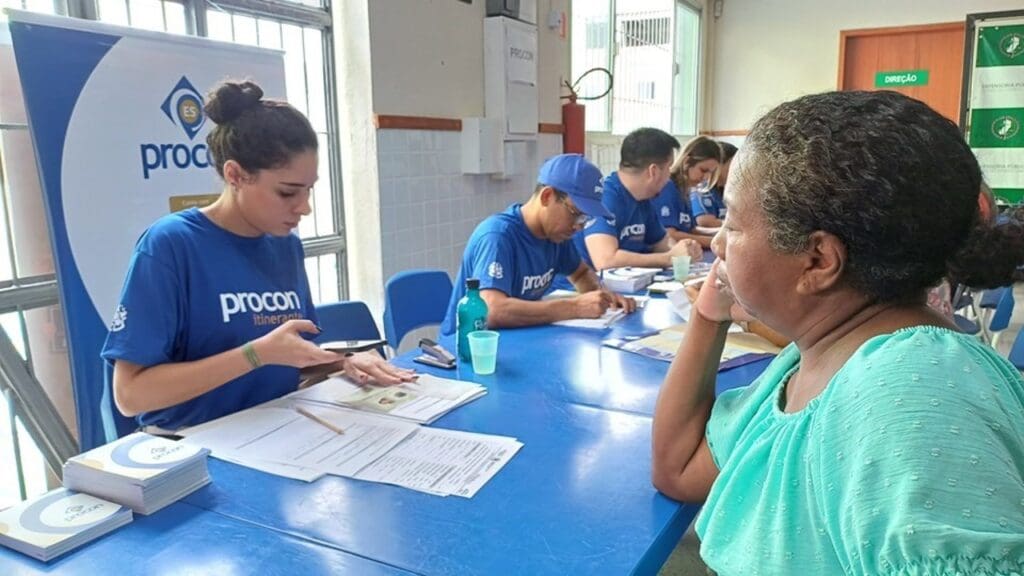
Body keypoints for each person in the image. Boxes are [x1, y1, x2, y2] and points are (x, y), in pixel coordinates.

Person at [651, 90, 1024, 574]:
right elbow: (678, 470)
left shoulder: (909, 395)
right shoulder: (812, 359)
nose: (718, 242)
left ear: (818, 260)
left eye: (734, 223)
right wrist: (708, 313)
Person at [102, 80, 414, 432]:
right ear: (235, 175)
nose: (304, 207)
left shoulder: (285, 246)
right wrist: (255, 354)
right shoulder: (171, 245)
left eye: (309, 190)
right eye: (287, 193)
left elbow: (290, 356)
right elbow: (130, 395)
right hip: (191, 443)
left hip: (274, 430)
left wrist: (343, 362)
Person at [440, 154, 635, 334]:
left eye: (586, 219)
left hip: (519, 340)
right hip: (470, 349)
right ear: (547, 196)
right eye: (576, 214)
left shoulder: (556, 236)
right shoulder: (498, 236)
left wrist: (603, 297)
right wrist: (574, 307)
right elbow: (491, 310)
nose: (579, 227)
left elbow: (581, 273)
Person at [575, 127, 702, 272]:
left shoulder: (643, 199)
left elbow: (661, 242)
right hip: (587, 284)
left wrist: (684, 250)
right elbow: (605, 260)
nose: (669, 177)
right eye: (668, 169)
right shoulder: (605, 198)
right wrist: (670, 258)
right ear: (653, 171)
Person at [652, 136, 722, 249]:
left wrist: (721, 233)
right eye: (703, 170)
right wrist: (714, 242)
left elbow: (690, 229)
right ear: (686, 162)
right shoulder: (667, 187)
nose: (706, 177)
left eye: (710, 173)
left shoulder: (684, 190)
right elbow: (670, 235)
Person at [690, 141, 736, 228]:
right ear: (718, 165)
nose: (736, 170)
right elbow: (705, 221)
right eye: (732, 165)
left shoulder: (729, 189)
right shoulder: (703, 188)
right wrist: (737, 227)